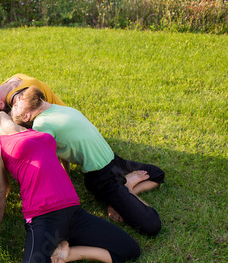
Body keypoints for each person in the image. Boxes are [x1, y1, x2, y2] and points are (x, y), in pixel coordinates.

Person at [0, 112, 140, 263]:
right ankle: (62, 244)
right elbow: (0, 187)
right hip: (42, 218)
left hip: (73, 211)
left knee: (131, 249)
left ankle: (68, 253)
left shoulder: (37, 131)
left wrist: (70, 255)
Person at [11, 86, 165, 236]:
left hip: (114, 160)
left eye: (18, 98)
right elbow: (48, 159)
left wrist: (67, 171)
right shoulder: (41, 125)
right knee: (152, 225)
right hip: (102, 177)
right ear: (26, 117)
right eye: (16, 105)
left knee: (156, 174)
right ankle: (126, 186)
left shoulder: (53, 108)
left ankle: (124, 189)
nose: (18, 98)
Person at [0, 73, 66, 124]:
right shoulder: (19, 98)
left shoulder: (1, 88)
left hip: (70, 114)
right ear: (1, 104)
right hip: (64, 119)